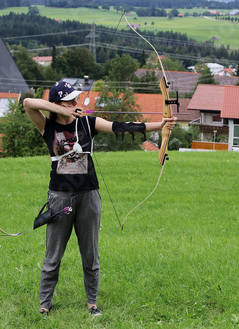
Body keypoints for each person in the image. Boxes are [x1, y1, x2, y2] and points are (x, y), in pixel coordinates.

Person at [23, 81, 176, 317]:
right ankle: (45, 304)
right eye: (70, 101)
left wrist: (161, 125)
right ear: (57, 104)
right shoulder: (47, 125)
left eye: (76, 100)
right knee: (53, 255)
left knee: (90, 254)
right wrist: (62, 111)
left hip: (89, 196)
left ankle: (92, 303)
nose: (76, 103)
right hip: (60, 197)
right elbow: (28, 103)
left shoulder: (87, 122)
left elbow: (121, 126)